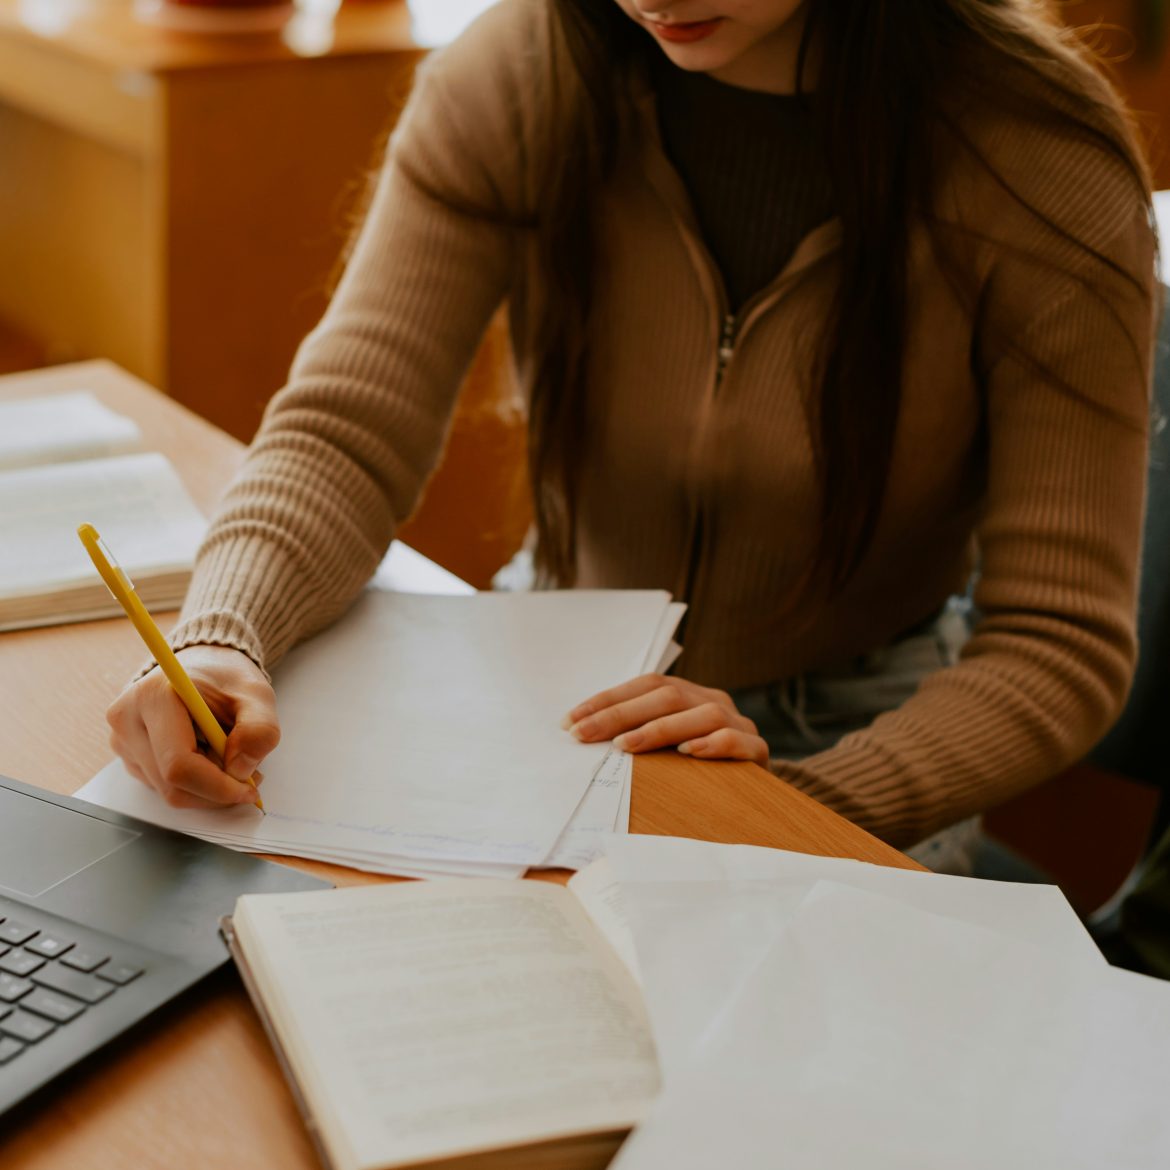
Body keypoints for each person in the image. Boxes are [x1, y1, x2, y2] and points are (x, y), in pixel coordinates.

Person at [107, 0, 1158, 870]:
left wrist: (786, 812)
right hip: (559, 678)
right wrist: (219, 637)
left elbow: (1057, 642)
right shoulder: (520, 72)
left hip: (863, 731)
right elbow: (346, 433)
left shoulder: (1038, 159)